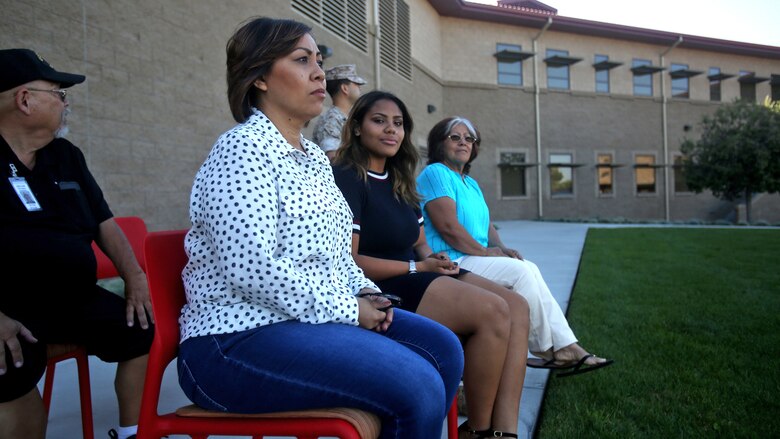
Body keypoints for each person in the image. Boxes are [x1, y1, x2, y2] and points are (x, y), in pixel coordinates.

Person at [180, 17, 463, 438]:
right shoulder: (242, 150)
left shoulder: (314, 157)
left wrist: (366, 292)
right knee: (415, 385)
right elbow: (251, 268)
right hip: (235, 340)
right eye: (301, 60)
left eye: (318, 60)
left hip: (309, 320)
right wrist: (351, 311)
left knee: (443, 349)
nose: (319, 73)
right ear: (259, 77)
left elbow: (335, 253)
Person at [333, 91, 530, 439]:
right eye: (379, 121)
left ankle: (505, 430)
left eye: (398, 124)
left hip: (417, 273)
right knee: (493, 311)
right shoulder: (349, 177)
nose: (391, 130)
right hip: (381, 285)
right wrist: (417, 269)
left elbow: (420, 244)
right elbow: (348, 259)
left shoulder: (400, 181)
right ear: (358, 128)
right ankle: (478, 430)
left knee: (517, 306)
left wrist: (433, 261)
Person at [0, 48, 154, 439]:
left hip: (74, 298)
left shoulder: (65, 155)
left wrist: (133, 276)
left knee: (141, 328)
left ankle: (134, 431)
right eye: (59, 93)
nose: (66, 103)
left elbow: (105, 224)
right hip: (10, 308)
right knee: (9, 366)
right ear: (24, 99)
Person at [417, 116, 614, 377]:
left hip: (472, 257)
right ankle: (550, 349)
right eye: (455, 137)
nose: (463, 142)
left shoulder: (470, 183)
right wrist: (487, 252)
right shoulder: (435, 173)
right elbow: (448, 228)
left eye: (469, 138)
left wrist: (502, 247)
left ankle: (566, 347)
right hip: (451, 260)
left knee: (525, 266)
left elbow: (486, 225)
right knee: (521, 273)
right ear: (439, 143)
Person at [311, 64, 365, 161]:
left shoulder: (348, 118)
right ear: (345, 88)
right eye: (356, 84)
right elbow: (333, 157)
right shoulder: (331, 120)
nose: (359, 88)